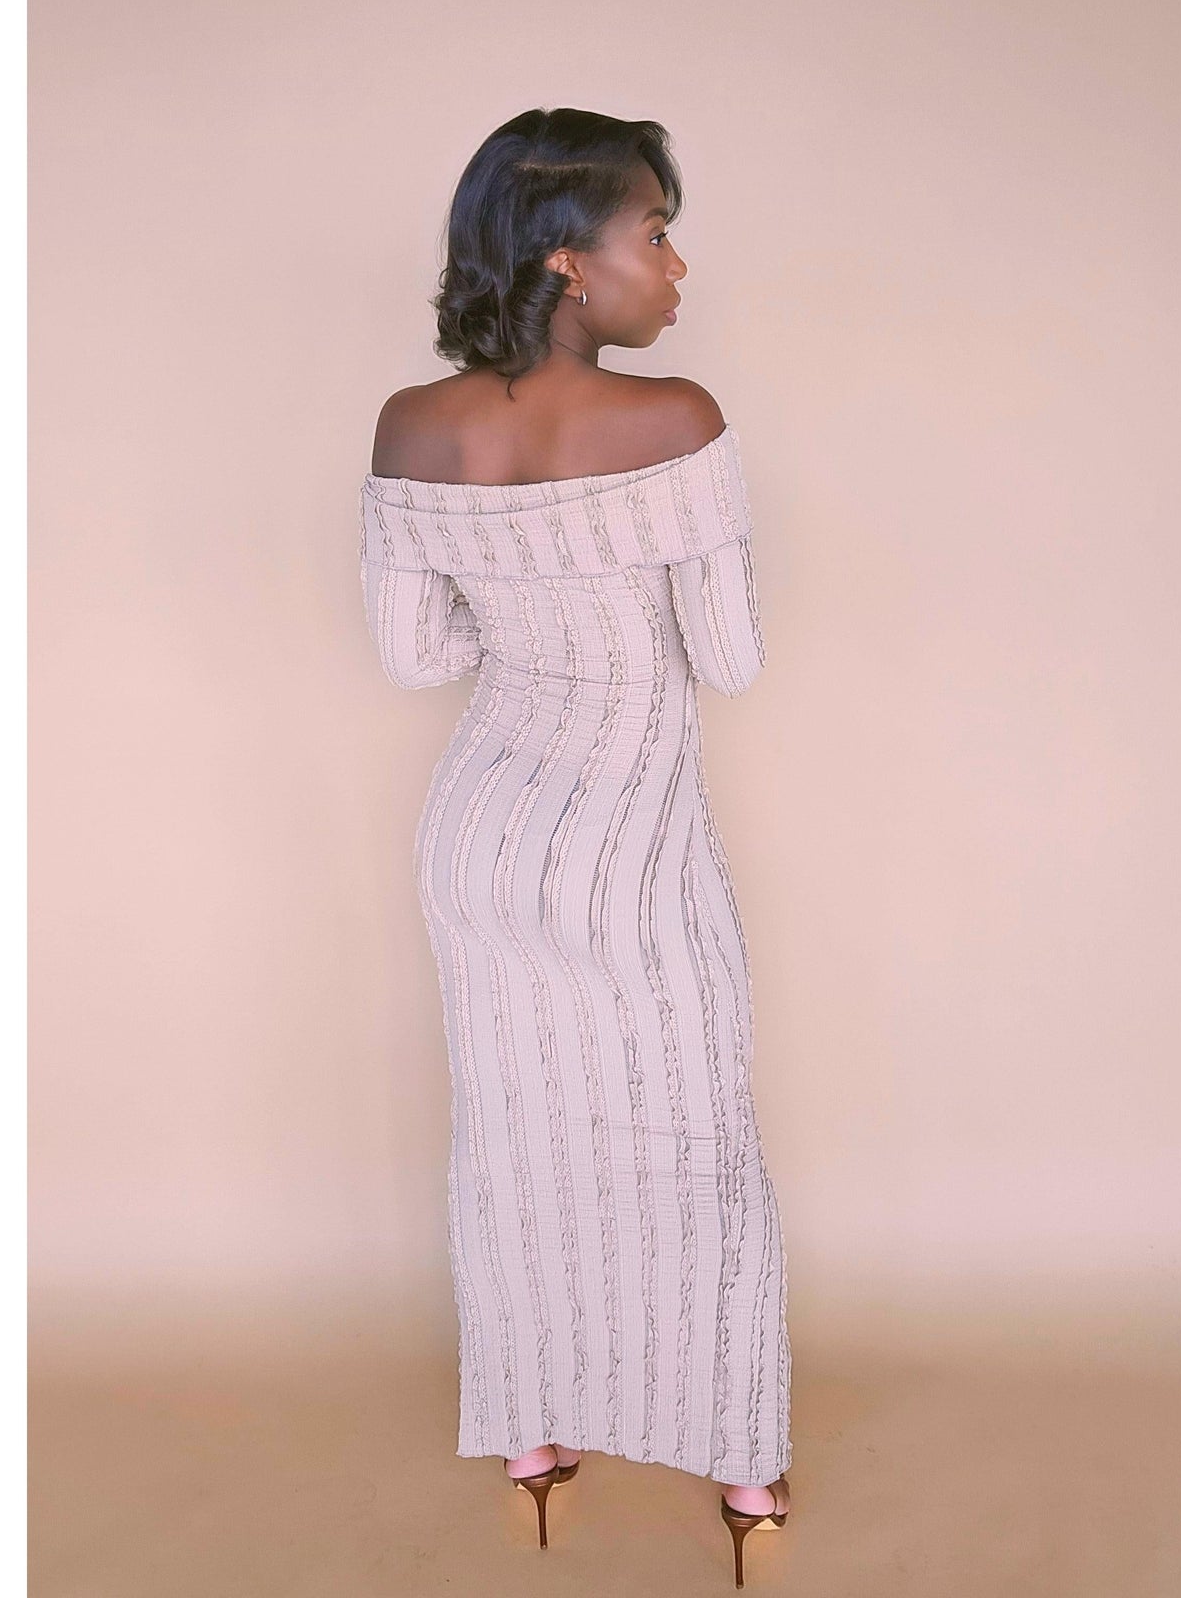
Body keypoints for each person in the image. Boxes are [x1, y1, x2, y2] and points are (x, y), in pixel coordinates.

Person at [357, 107, 791, 1583]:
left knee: (518, 1137)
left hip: (484, 841)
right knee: (692, 1139)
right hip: (634, 845)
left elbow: (419, 656)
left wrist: (517, 601)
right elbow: (727, 658)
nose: (675, 265)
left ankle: (535, 1445)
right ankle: (743, 1469)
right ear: (567, 259)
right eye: (655, 232)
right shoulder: (678, 423)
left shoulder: (411, 428)